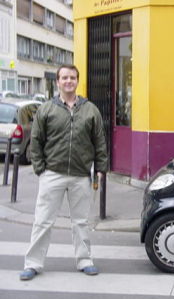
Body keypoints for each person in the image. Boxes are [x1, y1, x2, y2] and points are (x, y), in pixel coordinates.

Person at [20, 64, 108, 281]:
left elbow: (99, 141)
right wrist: (40, 168)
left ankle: (84, 260)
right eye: (64, 78)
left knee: (80, 222)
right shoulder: (46, 109)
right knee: (43, 220)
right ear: (57, 82)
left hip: (80, 175)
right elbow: (36, 141)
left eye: (72, 77)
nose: (68, 81)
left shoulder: (90, 110)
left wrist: (100, 168)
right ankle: (33, 263)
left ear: (78, 81)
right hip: (52, 173)